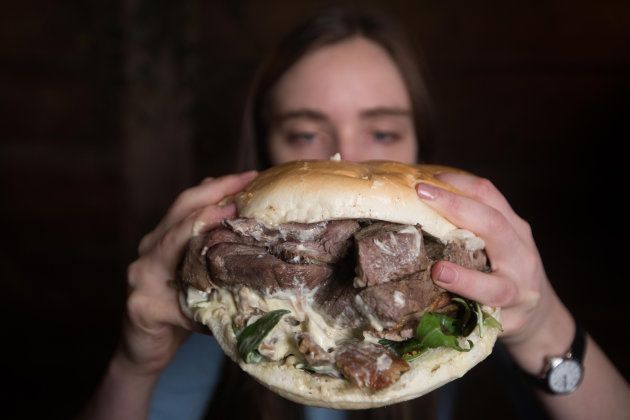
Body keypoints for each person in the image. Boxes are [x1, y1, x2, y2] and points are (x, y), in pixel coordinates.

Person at [80, 6, 629, 420]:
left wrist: (541, 324)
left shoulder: (478, 291)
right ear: (263, 153)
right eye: (303, 132)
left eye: (383, 131)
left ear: (422, 147)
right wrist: (135, 363)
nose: (347, 160)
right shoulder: (213, 319)